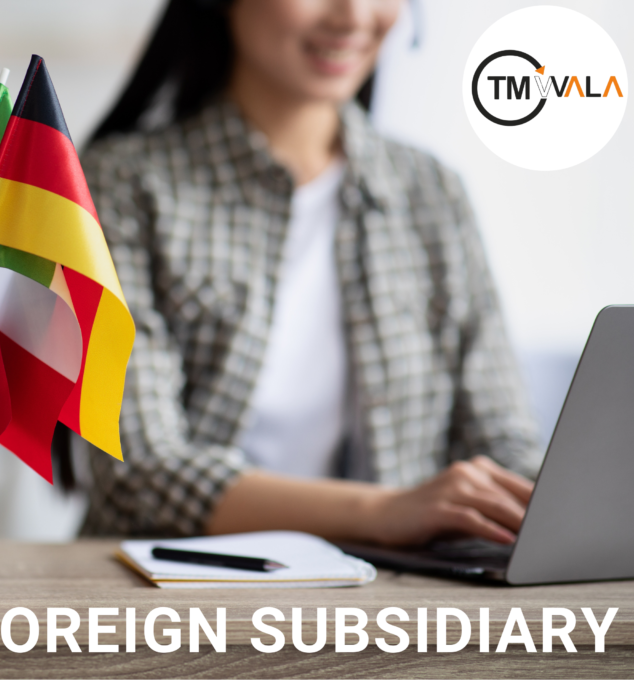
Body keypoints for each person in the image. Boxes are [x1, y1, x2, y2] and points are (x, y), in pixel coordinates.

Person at [76, 0, 543, 545]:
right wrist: (387, 512)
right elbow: (140, 470)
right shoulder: (122, 185)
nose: (353, 14)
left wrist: (548, 505)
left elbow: (503, 439)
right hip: (172, 596)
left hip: (398, 599)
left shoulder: (431, 191)